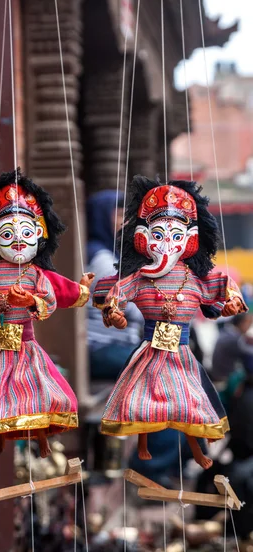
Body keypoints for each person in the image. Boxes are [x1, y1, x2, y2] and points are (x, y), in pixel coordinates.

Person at [96, 177, 248, 469]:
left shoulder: (193, 279)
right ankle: (142, 446)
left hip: (181, 353)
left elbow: (218, 292)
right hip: (149, 351)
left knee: (187, 405)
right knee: (140, 401)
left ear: (190, 240)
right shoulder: (140, 278)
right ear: (142, 237)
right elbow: (117, 295)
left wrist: (230, 301)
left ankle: (198, 451)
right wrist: (113, 312)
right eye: (158, 235)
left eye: (176, 236)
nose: (167, 244)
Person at [0, 170, 94, 457]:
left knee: (36, 391)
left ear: (39, 235)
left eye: (26, 233)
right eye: (8, 234)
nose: (18, 241)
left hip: (26, 345)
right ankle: (0, 438)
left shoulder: (35, 274)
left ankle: (41, 438)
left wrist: (30, 302)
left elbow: (50, 298)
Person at [87, 190, 144, 381]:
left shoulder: (114, 255)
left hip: (117, 345)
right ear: (101, 217)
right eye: (119, 214)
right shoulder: (101, 258)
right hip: (101, 347)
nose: (125, 222)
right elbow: (128, 306)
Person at [211, 313, 253, 383]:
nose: (249, 325)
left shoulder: (227, 332)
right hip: (225, 378)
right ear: (240, 323)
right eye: (248, 322)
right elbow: (249, 353)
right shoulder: (235, 339)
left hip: (218, 373)